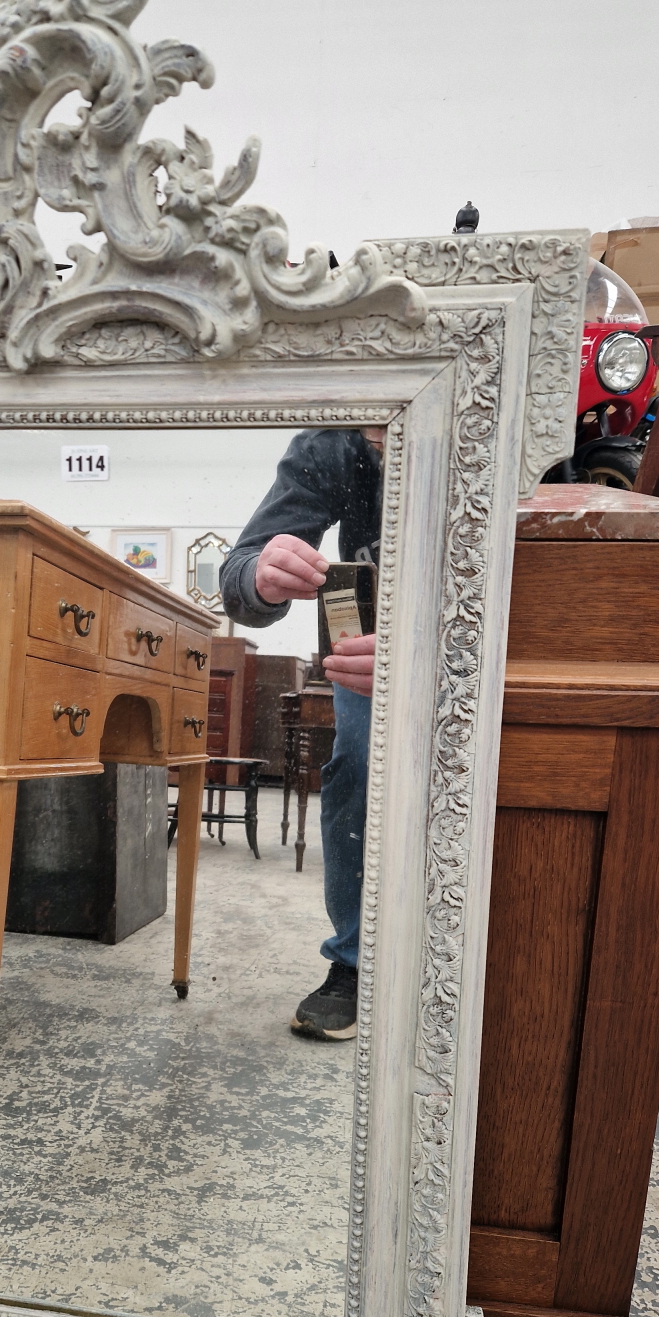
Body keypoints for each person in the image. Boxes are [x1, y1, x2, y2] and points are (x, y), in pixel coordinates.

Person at [219, 426, 383, 1040]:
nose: (381, 437)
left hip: (499, 629)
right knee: (358, 764)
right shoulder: (333, 444)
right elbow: (240, 570)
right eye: (374, 430)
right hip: (369, 639)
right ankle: (354, 964)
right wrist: (259, 576)